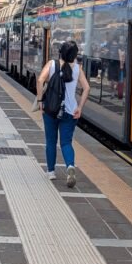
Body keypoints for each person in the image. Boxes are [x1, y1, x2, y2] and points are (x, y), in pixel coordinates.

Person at [36, 41, 90, 187]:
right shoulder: (77, 68)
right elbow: (86, 88)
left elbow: (40, 80)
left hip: (51, 109)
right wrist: (80, 107)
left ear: (61, 52)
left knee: (51, 141)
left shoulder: (52, 64)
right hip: (70, 111)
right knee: (66, 142)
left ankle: (51, 172)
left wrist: (40, 101)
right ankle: (70, 166)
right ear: (74, 55)